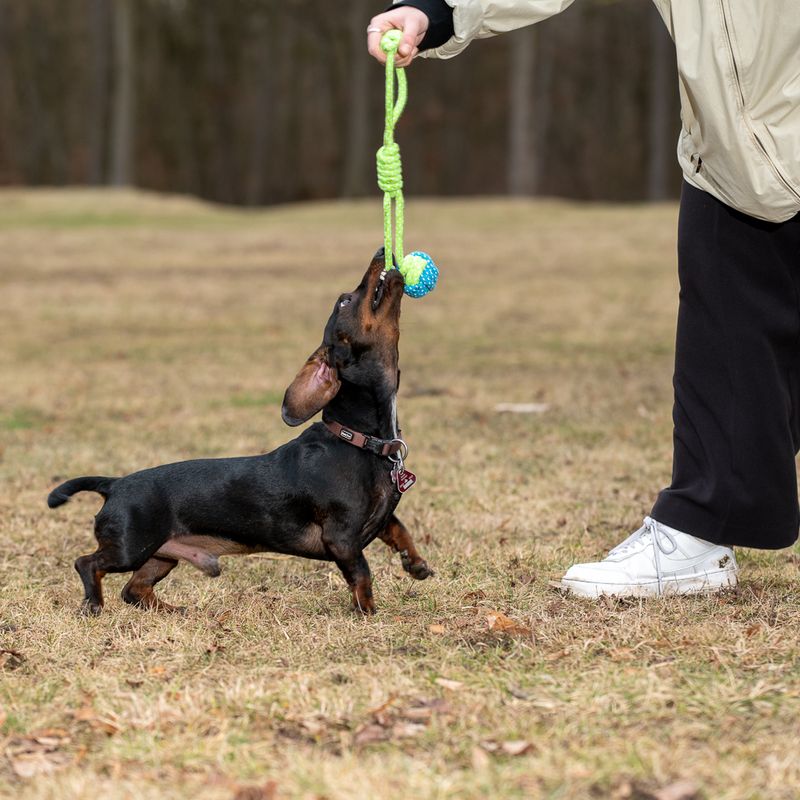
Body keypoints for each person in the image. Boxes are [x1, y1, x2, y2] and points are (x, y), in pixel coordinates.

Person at [366, 1, 800, 598]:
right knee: (726, 313)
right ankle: (705, 522)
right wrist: (439, 11)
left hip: (767, 136)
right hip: (735, 151)